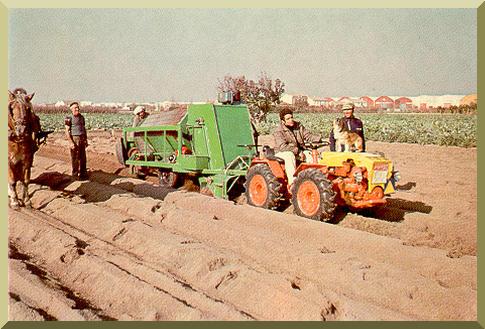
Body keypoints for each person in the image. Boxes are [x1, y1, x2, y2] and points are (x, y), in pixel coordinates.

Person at [273, 108, 321, 185]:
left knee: (311, 156)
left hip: (299, 151)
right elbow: (283, 146)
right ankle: (293, 183)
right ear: (283, 121)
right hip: (282, 152)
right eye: (288, 119)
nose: (291, 120)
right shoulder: (278, 131)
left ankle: (315, 179)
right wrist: (298, 151)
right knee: (289, 155)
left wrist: (319, 139)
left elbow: (308, 135)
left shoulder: (298, 126)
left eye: (291, 117)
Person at [65, 101, 88, 180]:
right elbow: (67, 131)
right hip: (74, 138)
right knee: (75, 158)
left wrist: (86, 139)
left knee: (83, 157)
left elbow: (84, 128)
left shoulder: (81, 117)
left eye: (78, 107)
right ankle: (74, 175)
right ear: (71, 109)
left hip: (81, 138)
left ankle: (83, 174)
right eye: (75, 108)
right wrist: (71, 142)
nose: (77, 109)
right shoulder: (69, 118)